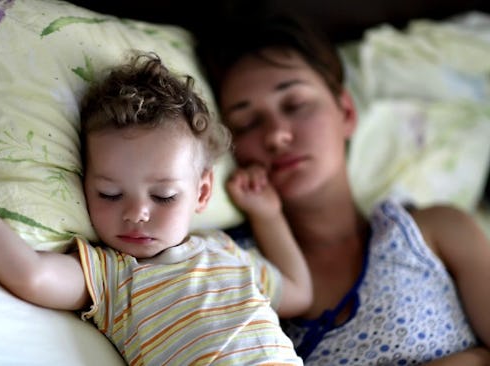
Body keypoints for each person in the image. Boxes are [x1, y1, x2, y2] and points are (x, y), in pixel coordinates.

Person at [0, 52, 312, 365]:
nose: (136, 214)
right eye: (110, 194)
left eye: (164, 196)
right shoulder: (114, 277)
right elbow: (29, 273)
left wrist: (268, 214)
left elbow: (300, 292)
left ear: (202, 193)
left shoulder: (228, 253)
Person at [197, 14, 490, 365]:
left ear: (347, 112)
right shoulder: (236, 271)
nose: (276, 135)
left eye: (295, 105)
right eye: (246, 123)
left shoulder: (436, 230)